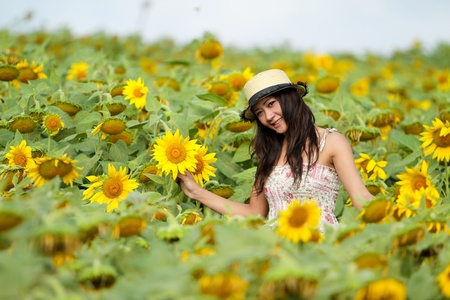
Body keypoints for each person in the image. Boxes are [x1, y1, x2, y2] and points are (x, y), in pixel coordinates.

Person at [177, 69, 373, 232]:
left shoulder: (331, 142)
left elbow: (361, 198)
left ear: (291, 99)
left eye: (271, 104)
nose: (268, 117)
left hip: (319, 246)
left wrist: (397, 214)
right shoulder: (270, 154)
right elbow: (255, 213)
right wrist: (197, 192)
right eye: (260, 112)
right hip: (275, 250)